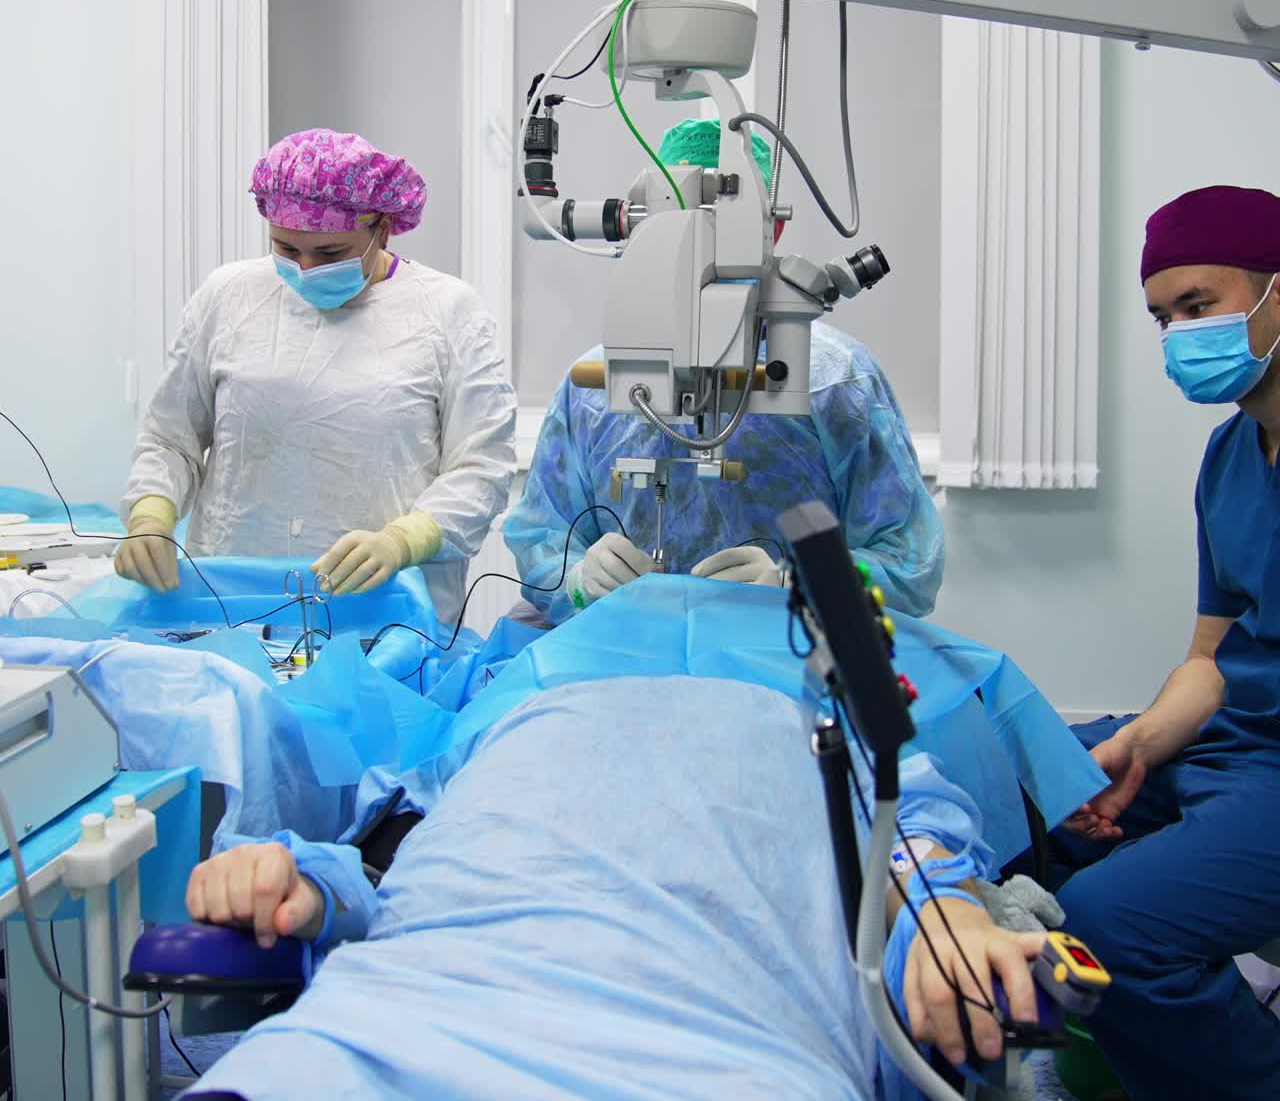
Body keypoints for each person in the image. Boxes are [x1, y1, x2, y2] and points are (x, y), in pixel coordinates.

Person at [177, 658, 1046, 1100]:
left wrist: (955, 918)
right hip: (395, 1026)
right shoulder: (516, 702)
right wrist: (300, 879)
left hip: (715, 1054)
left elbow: (919, 847)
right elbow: (386, 851)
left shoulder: (827, 724)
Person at [504, 118, 943, 625]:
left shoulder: (836, 383)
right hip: (625, 649)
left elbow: (908, 566)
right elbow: (543, 537)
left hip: (779, 659)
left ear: (771, 230)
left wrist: (800, 588)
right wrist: (579, 577)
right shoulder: (592, 386)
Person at [1051, 186, 1280, 1101]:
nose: (1181, 335)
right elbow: (1209, 658)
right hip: (1230, 747)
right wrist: (1136, 747)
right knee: (1020, 796)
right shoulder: (1231, 456)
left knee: (1104, 925)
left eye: (1200, 306)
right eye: (1162, 317)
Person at [114, 129, 516, 623]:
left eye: (329, 254)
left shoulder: (448, 311)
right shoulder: (229, 296)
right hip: (231, 597)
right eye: (286, 249)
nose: (305, 269)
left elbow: (481, 466)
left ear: (382, 228)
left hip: (385, 608)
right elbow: (170, 438)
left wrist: (405, 540)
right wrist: (150, 515)